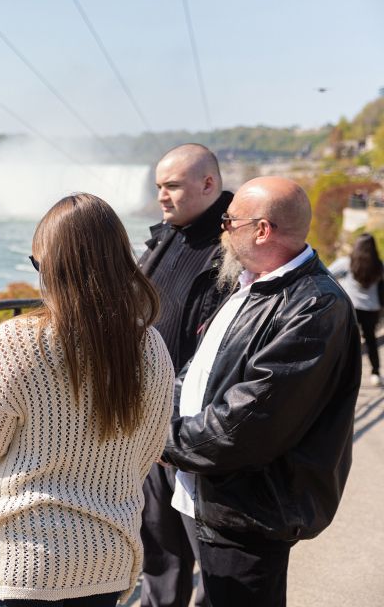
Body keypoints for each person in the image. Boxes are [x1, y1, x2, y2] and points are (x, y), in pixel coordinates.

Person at [0, 193, 175, 606]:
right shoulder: (150, 346)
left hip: (28, 555)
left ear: (55, 268)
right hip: (108, 554)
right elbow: (150, 450)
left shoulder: (18, 339)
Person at [162, 177, 362, 606]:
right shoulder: (254, 285)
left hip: (251, 509)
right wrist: (165, 415)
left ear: (262, 229)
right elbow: (200, 372)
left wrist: (162, 440)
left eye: (228, 221)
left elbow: (250, 420)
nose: (222, 231)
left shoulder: (313, 305)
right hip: (216, 495)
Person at [138, 144, 232, 607]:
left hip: (194, 436)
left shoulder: (233, 247)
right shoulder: (166, 237)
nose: (162, 197)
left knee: (212, 565)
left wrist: (178, 429)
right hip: (152, 428)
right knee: (159, 555)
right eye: (159, 187)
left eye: (172, 186)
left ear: (208, 185)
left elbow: (225, 352)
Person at [329, 233, 384, 386]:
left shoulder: (346, 263)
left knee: (346, 341)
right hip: (372, 309)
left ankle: (341, 375)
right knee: (371, 340)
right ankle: (375, 373)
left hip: (350, 307)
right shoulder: (379, 265)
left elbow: (325, 274)